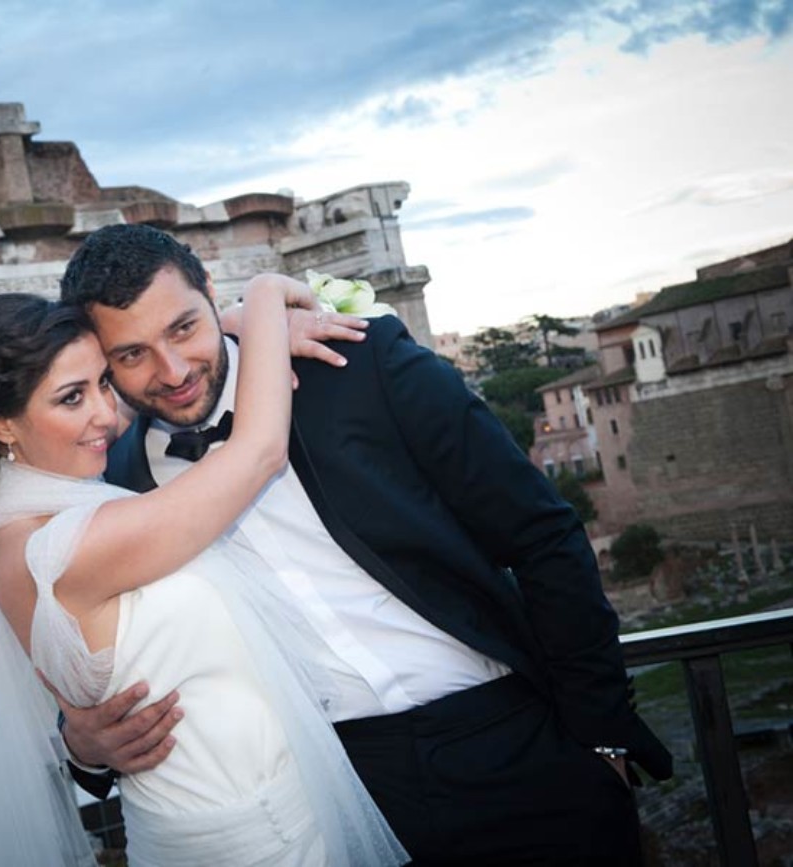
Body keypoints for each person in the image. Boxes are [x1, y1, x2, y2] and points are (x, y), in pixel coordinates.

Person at [56, 223, 674, 865]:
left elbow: (541, 534)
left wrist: (602, 740)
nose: (174, 371)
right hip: (331, 792)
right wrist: (83, 744)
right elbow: (100, 641)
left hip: (509, 738)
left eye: (184, 328)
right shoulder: (120, 483)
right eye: (132, 354)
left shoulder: (360, 363)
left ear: (213, 294)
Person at [0, 283, 407, 865]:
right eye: (71, 398)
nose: (107, 416)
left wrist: (80, 745)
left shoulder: (32, 524)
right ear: (1, 424)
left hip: (255, 808)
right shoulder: (55, 548)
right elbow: (259, 452)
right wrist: (262, 302)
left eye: (103, 384)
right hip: (252, 838)